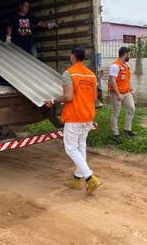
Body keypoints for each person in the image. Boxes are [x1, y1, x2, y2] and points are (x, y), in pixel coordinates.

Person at [44, 46, 101, 195]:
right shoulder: (92, 76)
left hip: (75, 116)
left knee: (70, 148)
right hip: (88, 116)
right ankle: (76, 180)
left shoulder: (69, 73)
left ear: (73, 56)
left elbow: (68, 97)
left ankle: (90, 178)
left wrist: (53, 101)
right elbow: (94, 98)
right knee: (80, 147)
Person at [109, 47, 137, 139]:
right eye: (129, 54)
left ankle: (127, 129)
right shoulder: (115, 66)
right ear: (125, 54)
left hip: (126, 92)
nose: (130, 56)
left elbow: (126, 80)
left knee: (132, 109)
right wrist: (118, 94)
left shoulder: (125, 65)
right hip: (117, 93)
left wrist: (130, 90)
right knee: (116, 113)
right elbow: (112, 81)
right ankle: (115, 133)